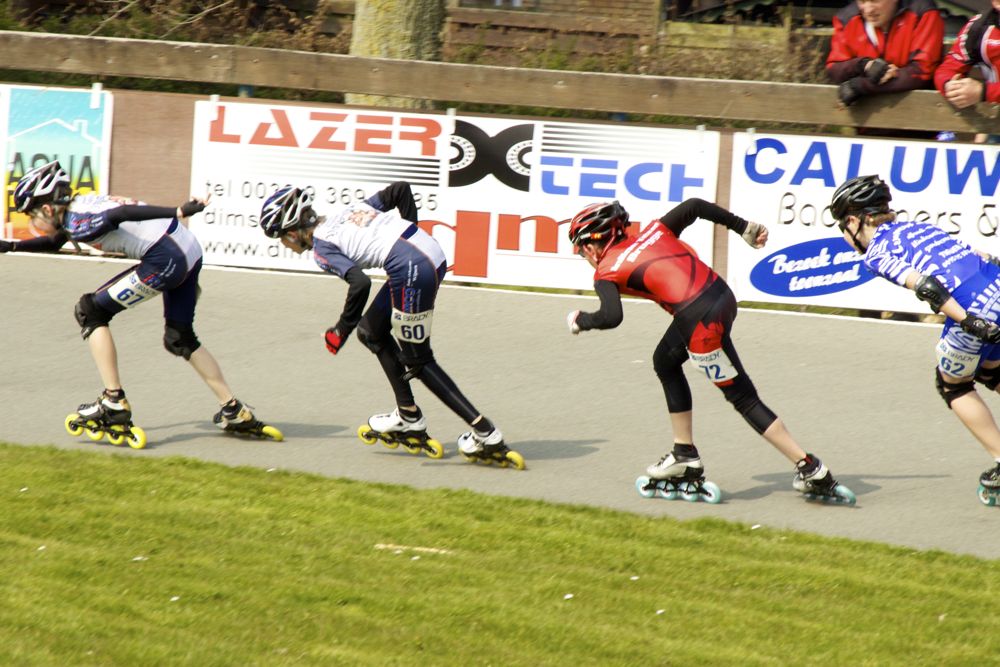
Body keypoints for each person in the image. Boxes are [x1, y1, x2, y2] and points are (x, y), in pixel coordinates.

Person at [565, 199, 854, 503]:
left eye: (581, 249)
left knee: (743, 397)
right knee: (664, 361)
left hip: (700, 323)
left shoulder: (606, 271)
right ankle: (683, 452)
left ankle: (809, 467)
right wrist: (744, 227)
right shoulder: (654, 231)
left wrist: (581, 320)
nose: (583, 256)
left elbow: (611, 317)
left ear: (593, 244)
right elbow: (693, 206)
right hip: (720, 296)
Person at [0, 160, 280, 445]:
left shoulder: (79, 221)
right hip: (189, 249)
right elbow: (55, 242)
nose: (32, 224)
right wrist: (11, 246)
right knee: (179, 338)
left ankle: (113, 401)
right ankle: (233, 409)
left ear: (48, 209)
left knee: (90, 311)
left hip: (167, 258)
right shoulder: (80, 208)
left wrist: (178, 210)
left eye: (31, 216)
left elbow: (121, 214)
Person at [257, 181, 522, 468]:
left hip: (411, 269)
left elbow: (360, 283)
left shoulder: (322, 249)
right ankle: (408, 415)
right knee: (371, 332)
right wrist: (410, 235)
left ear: (292, 232)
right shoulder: (349, 210)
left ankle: (486, 434)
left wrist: (340, 330)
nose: (284, 244)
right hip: (426, 252)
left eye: (281, 238)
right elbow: (400, 190)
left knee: (418, 361)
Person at [831, 174, 1000, 505]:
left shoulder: (876, 253)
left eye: (842, 227)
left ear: (853, 221)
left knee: (953, 385)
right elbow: (983, 256)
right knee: (991, 370)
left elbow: (926, 286)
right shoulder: (917, 227)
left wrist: (969, 321)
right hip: (996, 283)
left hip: (973, 306)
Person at [827, 0, 944, 108]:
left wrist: (863, 85)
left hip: (921, 111)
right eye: (862, 1)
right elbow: (834, 69)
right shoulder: (846, 18)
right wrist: (863, 65)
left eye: (875, 1)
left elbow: (922, 72)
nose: (868, 10)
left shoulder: (923, 11)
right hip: (865, 115)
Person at [933, 0, 1000, 144]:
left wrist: (983, 92)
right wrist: (950, 86)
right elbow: (948, 67)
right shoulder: (980, 25)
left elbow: (983, 92)